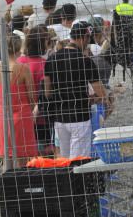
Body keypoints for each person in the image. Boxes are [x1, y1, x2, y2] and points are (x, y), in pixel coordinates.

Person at [43, 21, 107, 158]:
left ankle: (66, 179)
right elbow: (102, 94)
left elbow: (47, 92)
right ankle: (79, 180)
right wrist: (92, 99)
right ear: (83, 37)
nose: (88, 43)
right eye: (88, 40)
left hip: (59, 117)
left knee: (64, 160)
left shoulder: (51, 59)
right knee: (79, 161)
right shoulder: (86, 61)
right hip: (80, 117)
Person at [0, 33, 38, 168]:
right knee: (22, 158)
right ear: (18, 47)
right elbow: (32, 96)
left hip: (3, 114)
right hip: (22, 115)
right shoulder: (23, 68)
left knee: (7, 156)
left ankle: (9, 187)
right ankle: (21, 186)